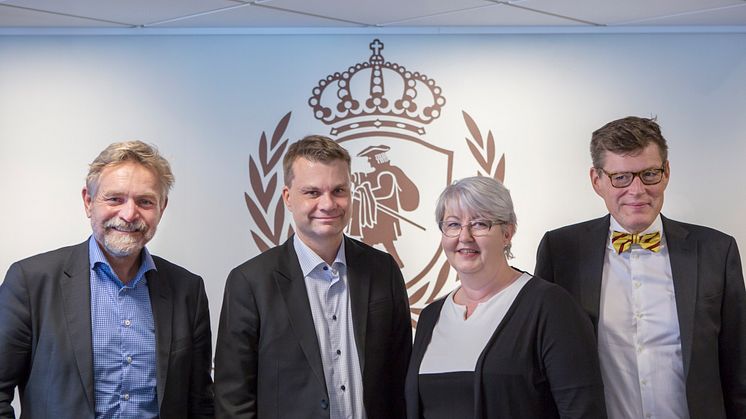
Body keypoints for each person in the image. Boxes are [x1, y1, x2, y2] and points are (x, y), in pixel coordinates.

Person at [535, 116, 746, 419]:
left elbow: (739, 369)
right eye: (620, 177)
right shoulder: (560, 251)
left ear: (666, 172)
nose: (636, 190)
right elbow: (544, 370)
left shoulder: (717, 250)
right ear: (597, 180)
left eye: (649, 174)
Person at [0, 141, 214, 418]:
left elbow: (201, 404)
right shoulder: (31, 282)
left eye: (145, 201)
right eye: (115, 199)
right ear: (88, 202)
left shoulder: (188, 290)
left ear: (162, 207)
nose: (128, 214)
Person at [215, 135, 412, 418]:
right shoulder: (250, 282)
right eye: (312, 193)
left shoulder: (383, 271)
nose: (328, 204)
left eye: (339, 190)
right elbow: (233, 399)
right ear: (288, 198)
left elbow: (400, 377)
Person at [406, 176, 606, 419]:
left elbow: (582, 411)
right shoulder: (430, 316)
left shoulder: (550, 307)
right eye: (453, 224)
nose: (465, 236)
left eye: (480, 224)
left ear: (507, 233)